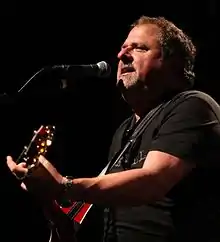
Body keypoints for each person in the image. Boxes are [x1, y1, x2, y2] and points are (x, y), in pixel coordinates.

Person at [6, 15, 220, 242]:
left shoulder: (193, 105)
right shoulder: (124, 131)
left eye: (139, 48)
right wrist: (48, 198)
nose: (121, 55)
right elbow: (80, 226)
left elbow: (152, 182)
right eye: (122, 48)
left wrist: (63, 186)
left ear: (173, 63)